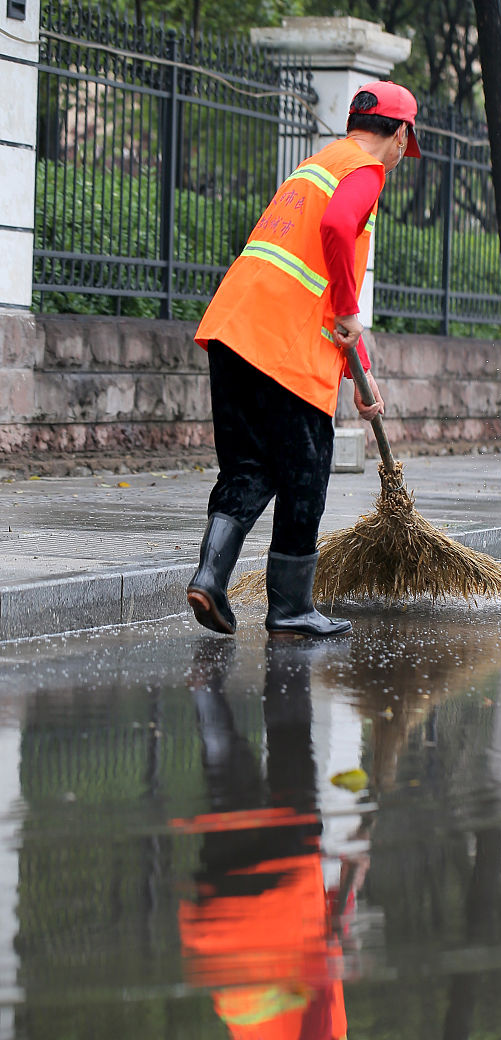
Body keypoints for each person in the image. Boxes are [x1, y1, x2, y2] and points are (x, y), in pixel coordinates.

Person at [187, 80, 421, 639]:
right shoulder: (366, 173)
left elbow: (315, 282)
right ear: (401, 133)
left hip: (233, 332)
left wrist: (361, 378)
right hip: (283, 354)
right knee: (306, 475)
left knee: (248, 468)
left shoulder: (315, 166)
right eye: (404, 147)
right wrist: (345, 309)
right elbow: (338, 237)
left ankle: (209, 577)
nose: (400, 158)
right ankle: (290, 610)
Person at [174, 639, 389, 1040]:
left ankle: (287, 663)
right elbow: (303, 990)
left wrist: (337, 952)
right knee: (228, 793)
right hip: (225, 925)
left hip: (273, 910)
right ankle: (206, 692)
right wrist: (343, 889)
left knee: (294, 770)